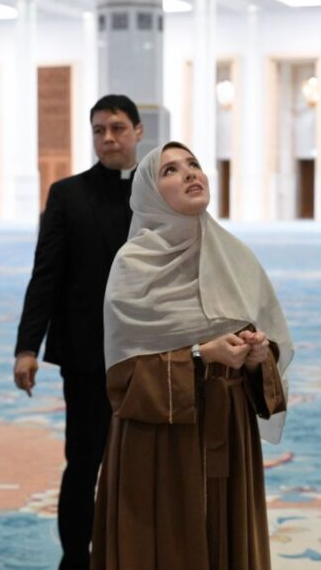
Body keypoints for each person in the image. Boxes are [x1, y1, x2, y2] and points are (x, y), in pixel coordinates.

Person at [90, 141, 292, 569]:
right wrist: (200, 355)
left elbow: (267, 346)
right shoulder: (133, 265)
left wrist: (258, 356)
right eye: (170, 170)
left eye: (194, 164)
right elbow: (124, 379)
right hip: (160, 439)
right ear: (149, 192)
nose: (189, 174)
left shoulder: (234, 256)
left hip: (228, 426)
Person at [13, 94, 143, 569]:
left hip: (147, 352)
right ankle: (75, 558)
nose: (108, 138)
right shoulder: (67, 194)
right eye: (99, 130)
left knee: (143, 463)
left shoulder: (156, 193)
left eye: (117, 128)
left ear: (138, 132)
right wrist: (27, 347)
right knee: (84, 461)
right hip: (87, 353)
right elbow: (46, 273)